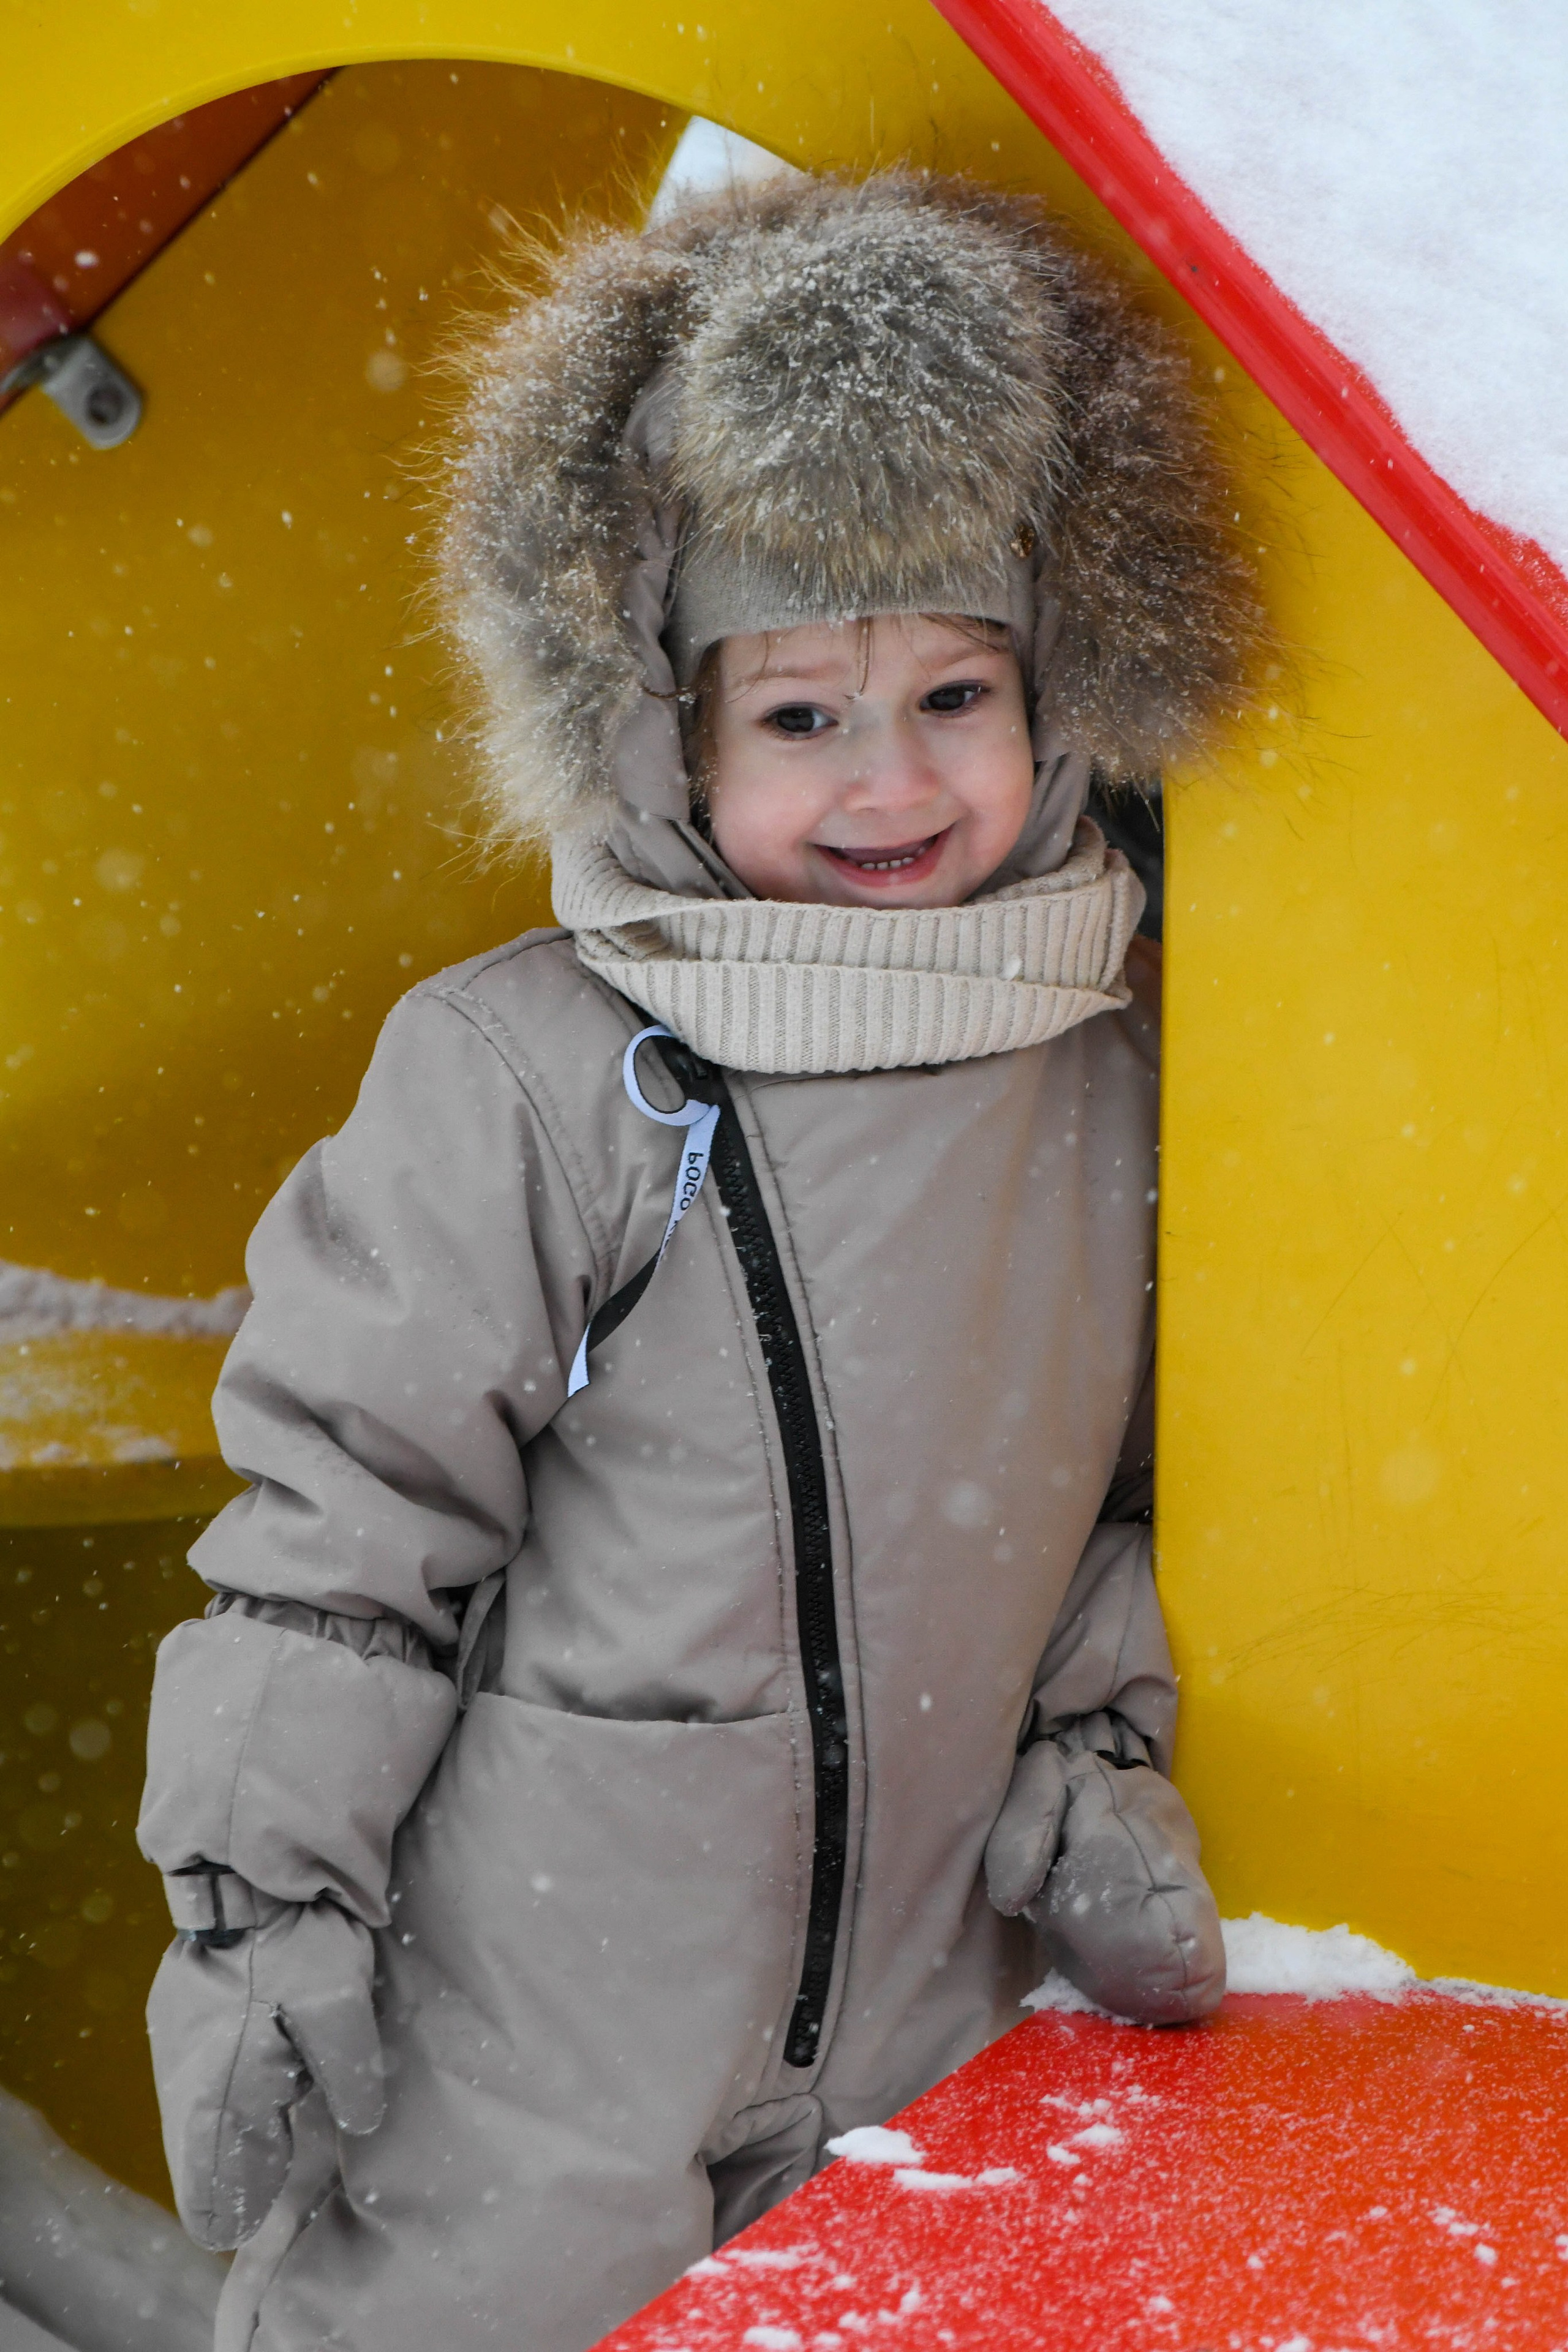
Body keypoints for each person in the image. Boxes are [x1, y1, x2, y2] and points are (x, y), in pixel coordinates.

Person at [137, 169, 1261, 2352]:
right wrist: (260, 1912)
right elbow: (340, 1537)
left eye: (957, 693)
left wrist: (1097, 1760)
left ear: (1058, 703)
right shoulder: (530, 1071)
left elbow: (1115, 1496)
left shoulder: (1113, 1070)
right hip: (547, 2002)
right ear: (668, 730)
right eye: (802, 717)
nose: (892, 780)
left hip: (940, 1994)